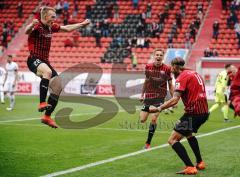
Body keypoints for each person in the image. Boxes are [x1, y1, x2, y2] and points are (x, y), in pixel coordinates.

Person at [25, 6, 90, 128]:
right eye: (52, 17)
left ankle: (47, 116)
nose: (55, 19)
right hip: (33, 59)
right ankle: (42, 103)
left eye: (55, 16)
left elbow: (66, 28)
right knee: (47, 72)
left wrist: (82, 24)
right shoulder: (37, 25)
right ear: (45, 16)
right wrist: (30, 25)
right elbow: (27, 31)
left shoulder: (51, 27)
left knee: (58, 85)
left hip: (45, 61)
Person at [149, 57, 209, 175]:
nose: (171, 70)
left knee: (172, 140)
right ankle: (200, 162)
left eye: (172, 68)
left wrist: (159, 108)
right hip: (203, 112)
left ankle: (190, 167)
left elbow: (175, 99)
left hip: (193, 113)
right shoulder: (193, 72)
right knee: (188, 134)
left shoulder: (182, 77)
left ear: (176, 67)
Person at [139, 49, 174, 149]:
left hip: (160, 97)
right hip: (148, 96)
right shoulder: (148, 66)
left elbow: (170, 84)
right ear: (154, 56)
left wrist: (173, 98)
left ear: (163, 57)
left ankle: (148, 143)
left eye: (160, 55)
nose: (158, 56)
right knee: (142, 120)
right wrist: (142, 95)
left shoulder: (167, 69)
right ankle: (151, 110)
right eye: (157, 55)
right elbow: (146, 81)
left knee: (154, 118)